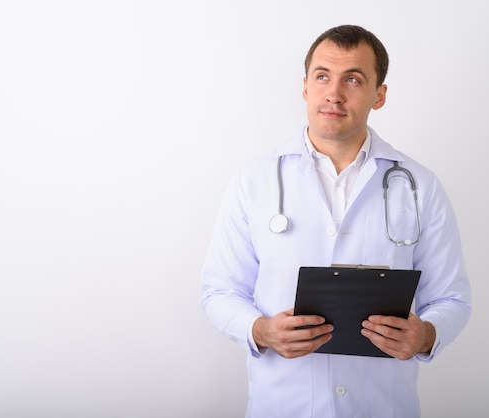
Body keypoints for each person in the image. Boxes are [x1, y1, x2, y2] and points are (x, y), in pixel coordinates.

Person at [200, 24, 471, 417]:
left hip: (382, 405)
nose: (334, 93)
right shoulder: (254, 181)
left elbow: (452, 299)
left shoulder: (420, 186)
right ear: (305, 87)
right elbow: (218, 291)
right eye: (323, 76)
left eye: (354, 79)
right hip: (283, 404)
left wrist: (426, 335)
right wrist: (260, 330)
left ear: (380, 95)